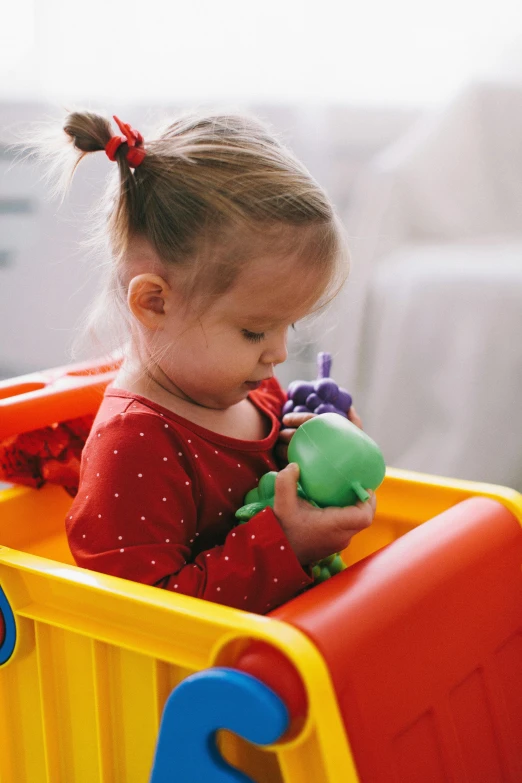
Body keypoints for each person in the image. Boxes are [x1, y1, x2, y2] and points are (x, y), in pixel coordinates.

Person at [60, 111, 376, 614]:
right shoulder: (133, 447)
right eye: (254, 330)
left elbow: (267, 481)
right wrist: (289, 546)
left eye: (287, 326)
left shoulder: (242, 385)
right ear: (155, 303)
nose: (277, 353)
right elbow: (143, 619)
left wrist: (312, 457)